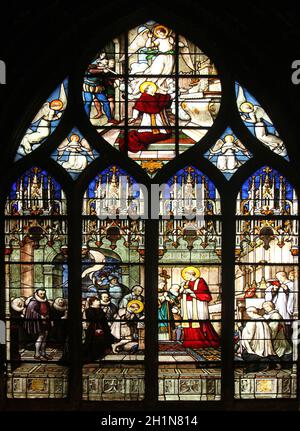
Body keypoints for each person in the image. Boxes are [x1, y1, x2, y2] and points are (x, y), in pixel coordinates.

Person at [119, 81, 172, 153]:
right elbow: (137, 107)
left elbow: (167, 97)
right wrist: (134, 117)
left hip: (160, 120)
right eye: (150, 87)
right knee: (145, 133)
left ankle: (161, 133)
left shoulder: (157, 96)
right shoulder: (144, 97)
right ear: (146, 89)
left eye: (152, 87)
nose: (153, 88)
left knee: (163, 133)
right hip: (148, 120)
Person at [180, 267, 220, 348]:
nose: (186, 277)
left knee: (199, 322)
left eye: (187, 275)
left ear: (191, 274)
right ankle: (189, 342)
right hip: (187, 305)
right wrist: (181, 290)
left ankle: (201, 342)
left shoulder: (200, 281)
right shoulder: (185, 283)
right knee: (189, 322)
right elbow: (181, 295)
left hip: (198, 305)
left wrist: (192, 293)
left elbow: (206, 294)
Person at [240, 306, 278, 372]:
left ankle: (263, 365)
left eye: (248, 312)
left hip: (256, 345)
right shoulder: (263, 320)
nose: (248, 314)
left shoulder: (252, 322)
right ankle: (268, 364)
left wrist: (241, 328)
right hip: (265, 345)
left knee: (245, 354)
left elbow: (249, 337)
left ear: (252, 312)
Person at [82, 296, 117, 363]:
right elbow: (94, 319)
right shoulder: (89, 310)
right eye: (97, 300)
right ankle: (94, 356)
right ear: (93, 302)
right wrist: (97, 328)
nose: (99, 302)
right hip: (94, 328)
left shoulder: (100, 309)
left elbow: (103, 319)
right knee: (93, 342)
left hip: (103, 327)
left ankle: (100, 355)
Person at [24, 289, 52, 360]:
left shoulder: (45, 301)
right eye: (41, 294)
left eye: (43, 294)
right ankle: (37, 353)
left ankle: (43, 353)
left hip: (46, 321)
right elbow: (31, 312)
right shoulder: (33, 301)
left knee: (45, 337)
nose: (42, 295)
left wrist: (48, 316)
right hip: (38, 322)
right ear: (37, 293)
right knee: (41, 337)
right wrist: (40, 316)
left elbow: (49, 310)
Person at [265, 271, 295, 337]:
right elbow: (274, 296)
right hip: (278, 306)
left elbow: (294, 296)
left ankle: (287, 338)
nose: (277, 278)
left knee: (285, 322)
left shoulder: (291, 284)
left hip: (285, 307)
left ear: (282, 276)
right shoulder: (279, 284)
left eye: (278, 277)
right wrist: (274, 290)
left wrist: (286, 290)